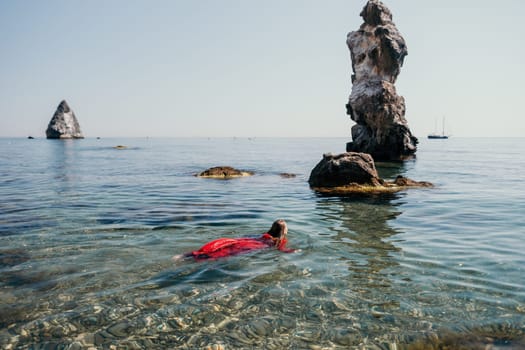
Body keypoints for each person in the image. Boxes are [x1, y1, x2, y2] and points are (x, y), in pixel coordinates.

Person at [173, 219, 294, 261]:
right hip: (254, 246)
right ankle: (194, 257)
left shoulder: (264, 234)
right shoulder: (280, 241)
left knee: (223, 247)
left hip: (247, 241)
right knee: (224, 253)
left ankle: (186, 255)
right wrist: (293, 251)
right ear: (283, 231)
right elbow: (282, 250)